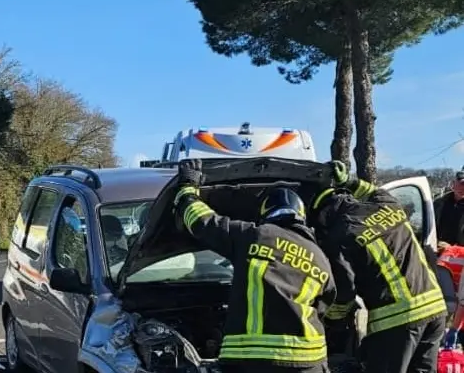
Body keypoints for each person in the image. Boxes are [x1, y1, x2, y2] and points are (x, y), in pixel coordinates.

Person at [172, 159, 335, 373]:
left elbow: (202, 221)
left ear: (266, 213)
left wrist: (187, 188)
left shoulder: (255, 236)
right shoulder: (319, 256)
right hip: (310, 360)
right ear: (302, 215)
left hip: (252, 361)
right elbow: (326, 305)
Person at [309, 160, 446, 373]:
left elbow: (344, 292)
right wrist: (349, 180)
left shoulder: (339, 237)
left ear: (323, 215)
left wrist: (330, 319)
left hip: (397, 320)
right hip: (436, 309)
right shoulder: (386, 203)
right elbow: (371, 190)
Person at [434, 171, 464, 246]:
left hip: (461, 253)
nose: (463, 188)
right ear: (453, 184)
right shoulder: (439, 203)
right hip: (439, 250)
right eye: (462, 184)